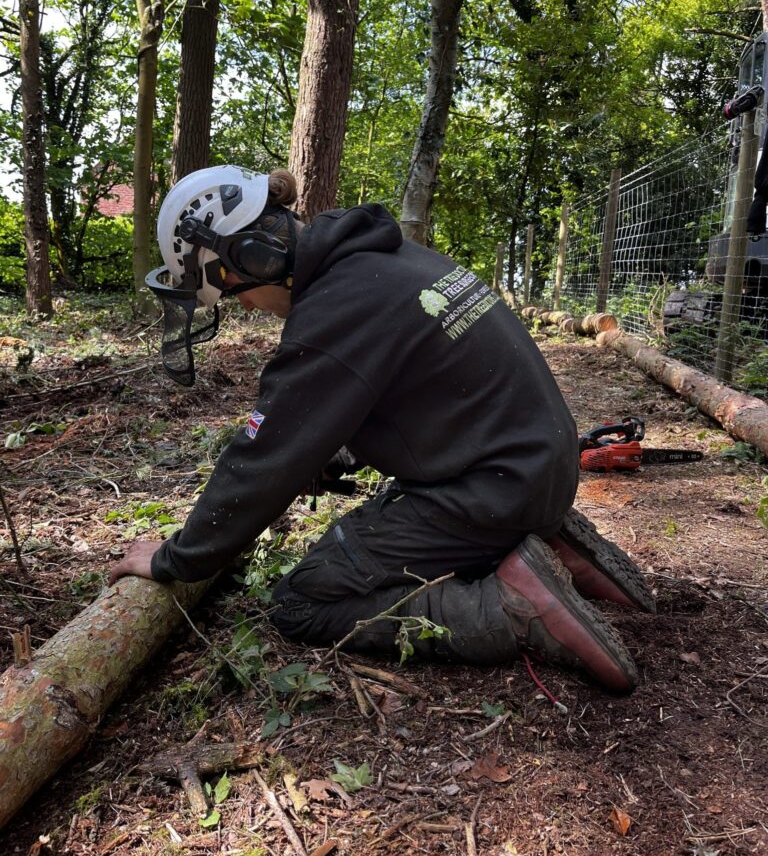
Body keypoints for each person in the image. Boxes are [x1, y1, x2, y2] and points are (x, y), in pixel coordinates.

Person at [110, 165, 655, 693]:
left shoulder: (335, 310)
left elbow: (261, 457)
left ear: (250, 257)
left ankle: (508, 606)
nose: (248, 305)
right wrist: (334, 454)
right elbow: (418, 394)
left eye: (235, 292)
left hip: (492, 491)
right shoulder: (382, 258)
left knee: (301, 603)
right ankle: (549, 541)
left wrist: (176, 558)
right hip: (534, 464)